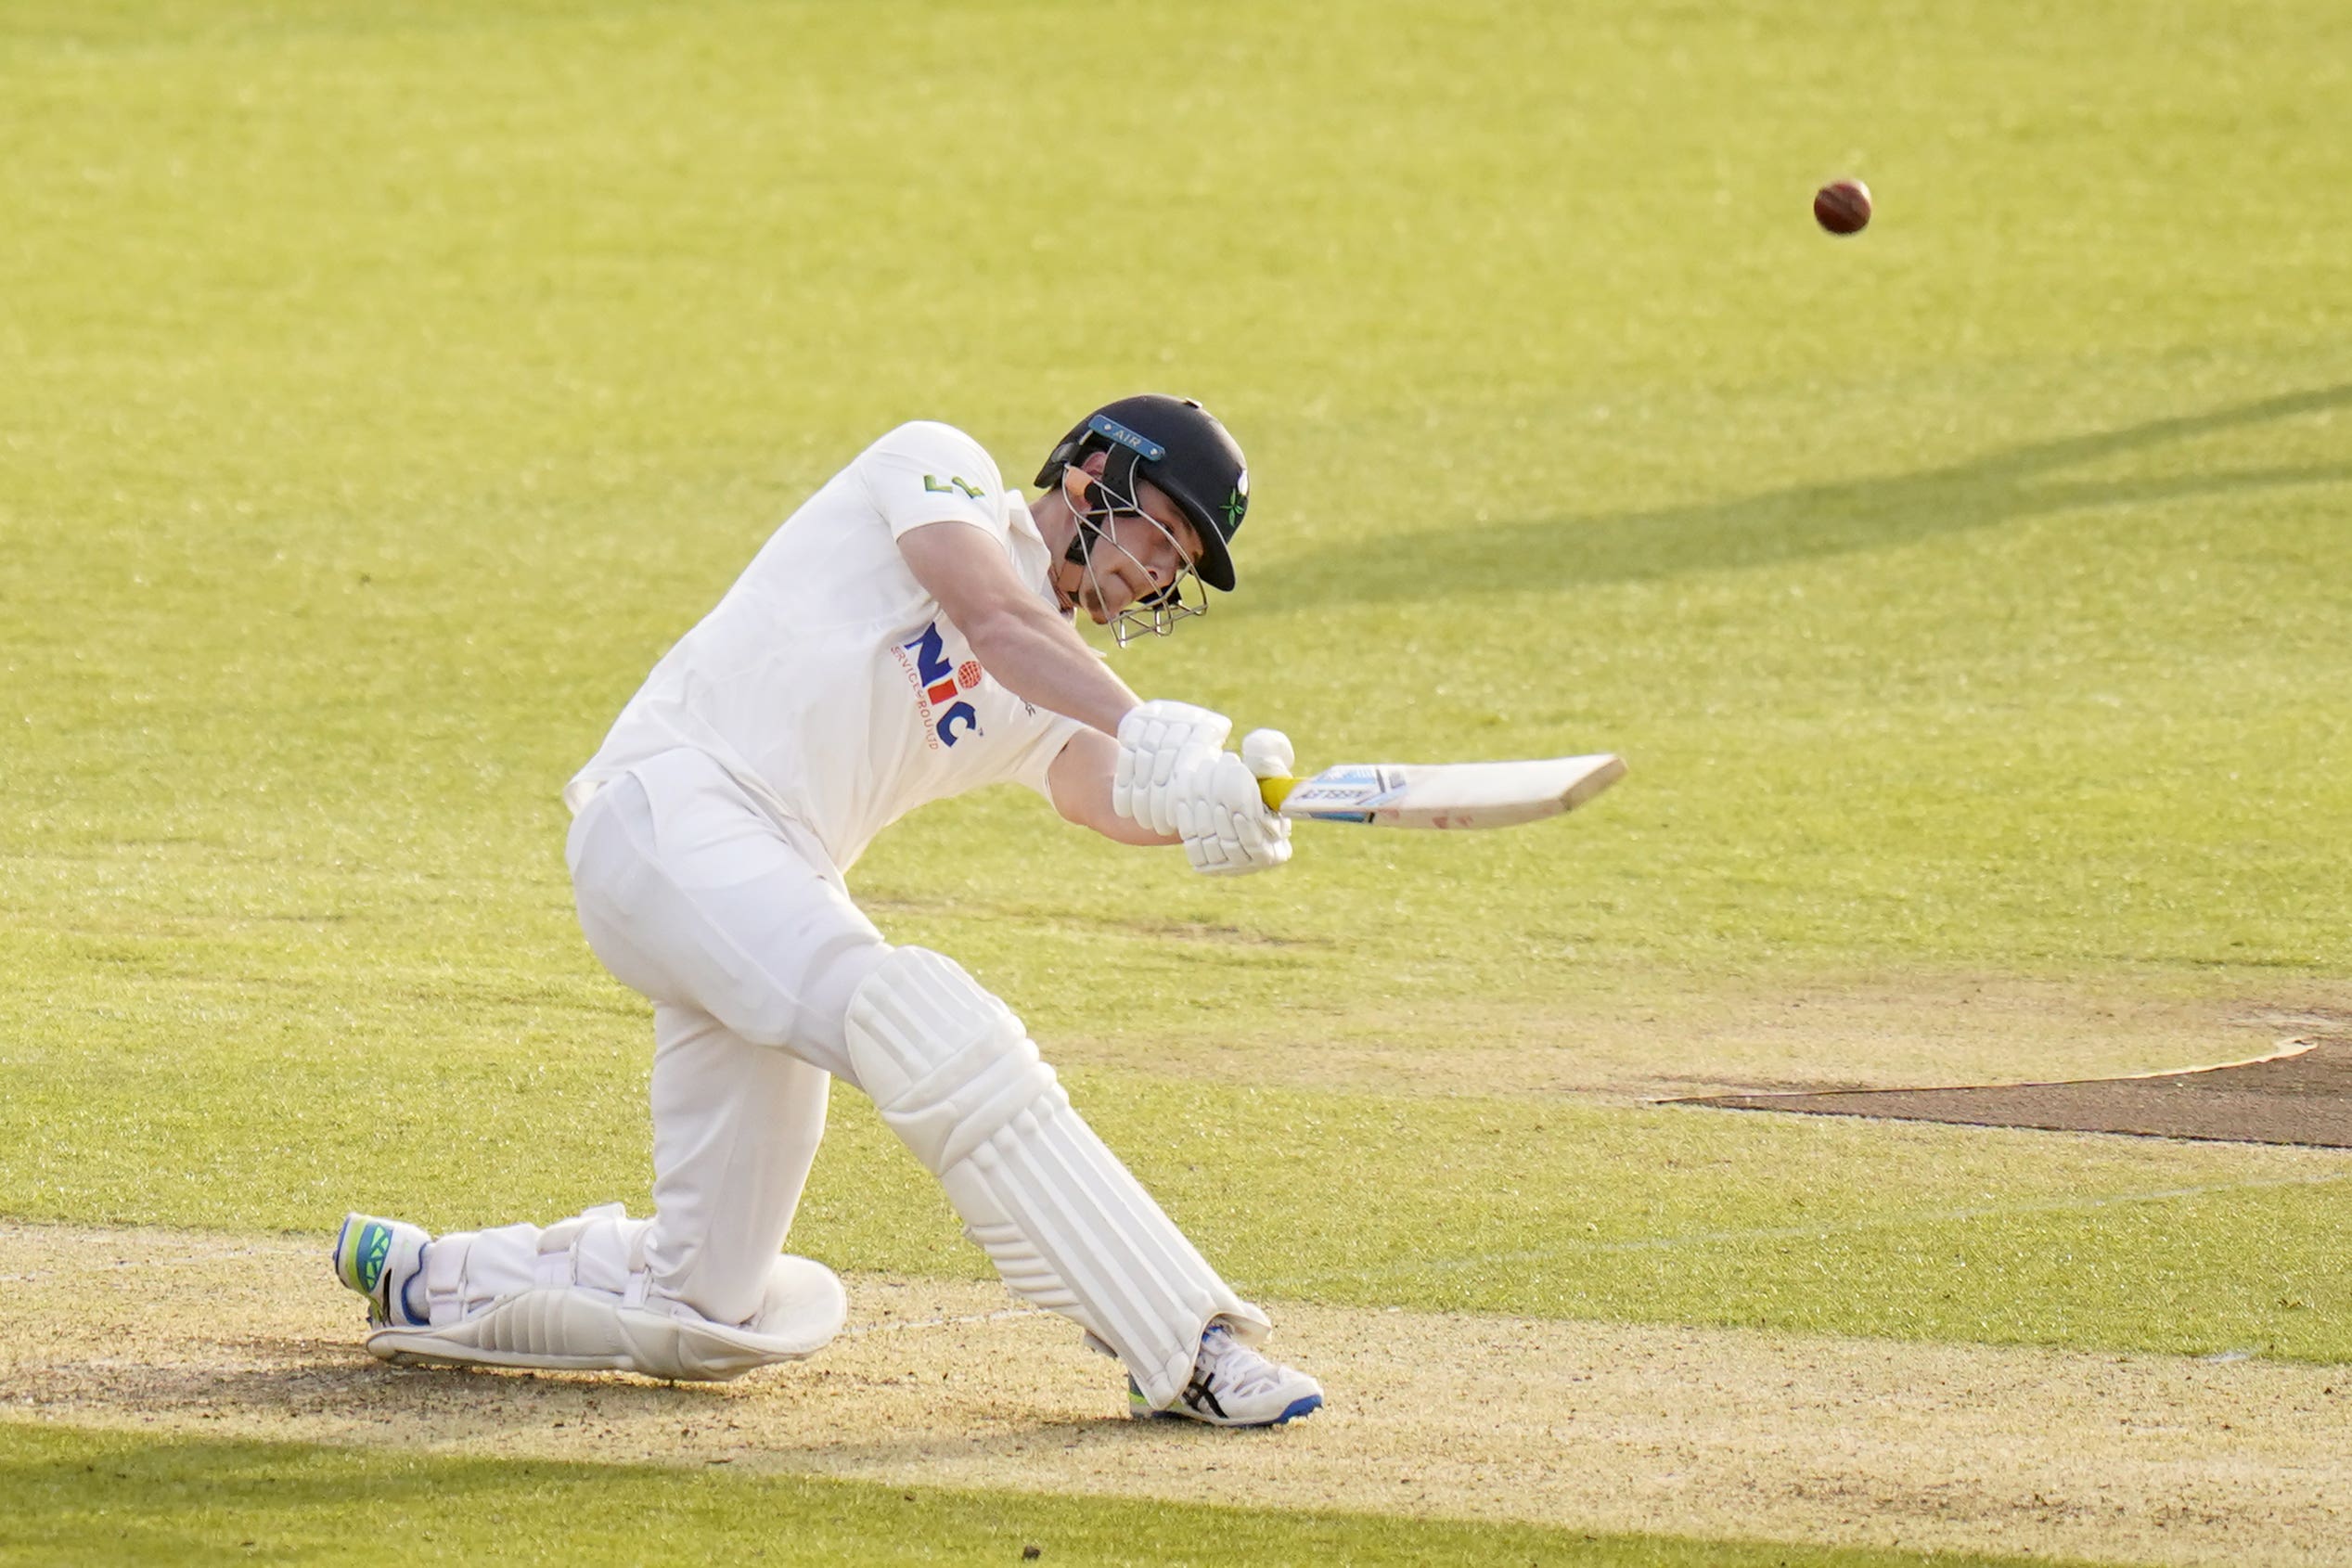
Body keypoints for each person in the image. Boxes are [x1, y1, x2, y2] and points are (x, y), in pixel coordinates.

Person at [331, 395, 1323, 1427]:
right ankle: (1182, 1344)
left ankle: (425, 1276)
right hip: (675, 811)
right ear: (1091, 476)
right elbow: (995, 618)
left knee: (711, 1306)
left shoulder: (1051, 682)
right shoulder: (942, 473)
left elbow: (1097, 785)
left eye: (1184, 565)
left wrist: (1214, 807)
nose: (1161, 572)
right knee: (932, 1026)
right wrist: (1145, 724)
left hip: (766, 893)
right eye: (1164, 532)